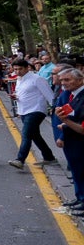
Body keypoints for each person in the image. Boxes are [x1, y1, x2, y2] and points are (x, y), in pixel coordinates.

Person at [9, 57, 57, 169]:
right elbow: (23, 93)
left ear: (27, 68)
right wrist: (16, 97)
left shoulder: (37, 79)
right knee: (34, 135)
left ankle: (20, 159)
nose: (17, 71)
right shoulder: (19, 79)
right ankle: (49, 156)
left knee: (26, 135)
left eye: (20, 69)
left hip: (36, 110)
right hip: (24, 110)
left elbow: (49, 95)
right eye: (15, 69)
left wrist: (54, 109)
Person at [52, 67, 84, 216]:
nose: (63, 83)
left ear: (80, 80)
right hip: (72, 141)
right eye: (62, 80)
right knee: (77, 171)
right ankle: (80, 198)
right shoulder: (71, 95)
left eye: (67, 80)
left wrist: (65, 121)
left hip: (79, 143)